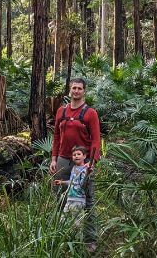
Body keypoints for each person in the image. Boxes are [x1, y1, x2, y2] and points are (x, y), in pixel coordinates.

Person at [50, 77, 100, 249]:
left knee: (88, 200)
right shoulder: (61, 111)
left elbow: (95, 140)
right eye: (73, 88)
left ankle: (90, 240)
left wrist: (91, 162)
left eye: (79, 88)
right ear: (69, 90)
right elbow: (56, 136)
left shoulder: (90, 113)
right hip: (63, 159)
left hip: (84, 162)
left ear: (84, 91)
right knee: (61, 197)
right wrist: (54, 158)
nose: (76, 91)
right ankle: (63, 236)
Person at [54, 145, 90, 222]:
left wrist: (87, 173)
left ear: (84, 156)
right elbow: (72, 182)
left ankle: (78, 234)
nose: (76, 156)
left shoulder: (85, 170)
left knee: (77, 224)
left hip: (78, 200)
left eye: (78, 154)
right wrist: (62, 182)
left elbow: (83, 184)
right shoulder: (74, 168)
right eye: (74, 155)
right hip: (70, 198)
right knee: (62, 221)